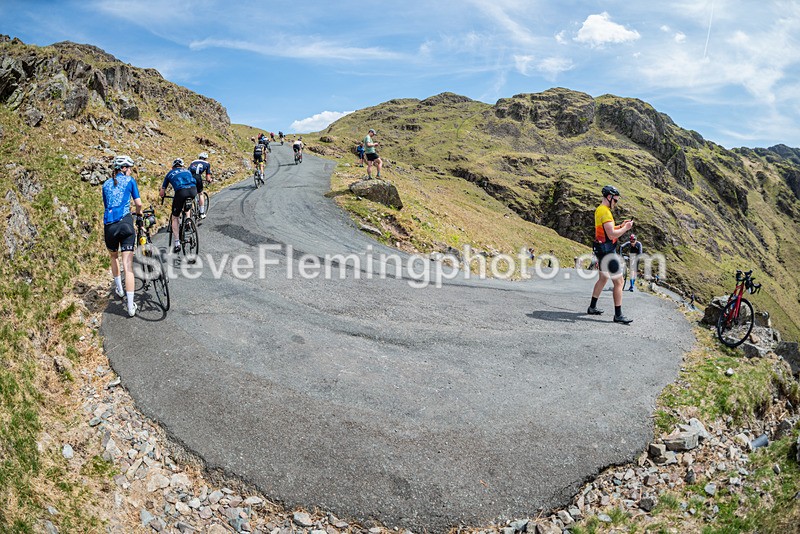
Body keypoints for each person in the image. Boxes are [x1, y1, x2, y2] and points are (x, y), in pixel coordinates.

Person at [586, 184, 634, 324]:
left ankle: (592, 307)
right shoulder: (605, 212)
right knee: (619, 282)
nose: (616, 203)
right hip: (608, 252)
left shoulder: (600, 210)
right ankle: (618, 315)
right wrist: (625, 228)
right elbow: (612, 233)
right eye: (616, 200)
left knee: (603, 279)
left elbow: (609, 230)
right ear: (609, 197)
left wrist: (621, 225)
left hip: (601, 249)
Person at [102, 155, 143, 317]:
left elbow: (107, 206)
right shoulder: (130, 180)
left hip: (109, 226)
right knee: (128, 266)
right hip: (125, 223)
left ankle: (119, 289)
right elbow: (138, 204)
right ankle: (131, 307)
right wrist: (138, 215)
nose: (131, 171)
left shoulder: (105, 184)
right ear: (124, 168)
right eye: (130, 168)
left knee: (114, 258)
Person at [159, 158, 198, 253]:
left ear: (173, 167)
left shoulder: (170, 173)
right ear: (182, 166)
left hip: (181, 192)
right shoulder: (187, 170)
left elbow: (162, 192)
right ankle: (188, 222)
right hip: (193, 190)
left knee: (175, 217)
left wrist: (162, 195)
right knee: (187, 205)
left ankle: (177, 242)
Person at [188, 152, 212, 219]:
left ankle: (188, 215)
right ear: (205, 158)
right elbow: (208, 177)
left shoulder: (193, 162)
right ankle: (202, 213)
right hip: (198, 177)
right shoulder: (207, 164)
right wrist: (209, 180)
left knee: (189, 195)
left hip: (189, 177)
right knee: (200, 194)